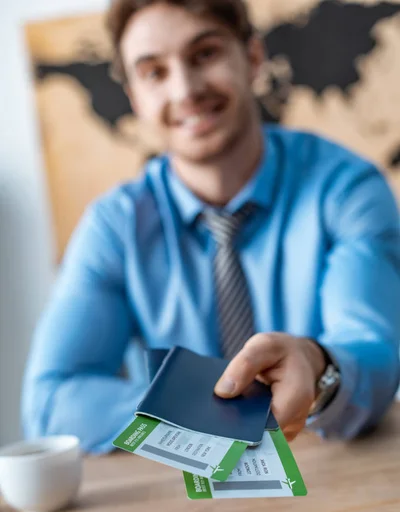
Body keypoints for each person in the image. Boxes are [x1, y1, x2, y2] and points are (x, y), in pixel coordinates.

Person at [22, 0, 400, 453]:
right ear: (134, 99)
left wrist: (318, 368)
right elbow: (51, 401)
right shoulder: (115, 226)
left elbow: (374, 356)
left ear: (254, 58)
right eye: (154, 72)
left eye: (205, 54)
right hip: (181, 497)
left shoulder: (346, 189)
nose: (185, 90)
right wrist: (208, 408)